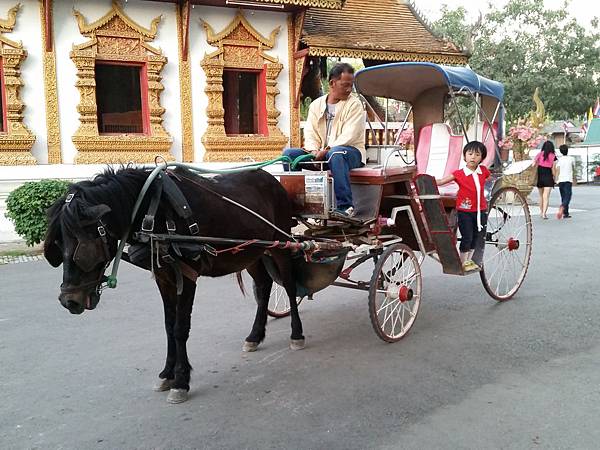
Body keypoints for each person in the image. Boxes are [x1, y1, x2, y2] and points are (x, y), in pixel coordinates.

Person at [283, 63, 365, 218]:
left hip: (350, 152)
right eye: (345, 85)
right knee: (289, 154)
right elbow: (310, 132)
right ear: (332, 83)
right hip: (321, 153)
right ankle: (296, 203)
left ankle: (345, 206)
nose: (349, 89)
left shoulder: (354, 104)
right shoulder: (316, 105)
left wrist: (326, 150)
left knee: (336, 153)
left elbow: (350, 135)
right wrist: (314, 151)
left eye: (351, 86)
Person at [436, 141, 490, 272]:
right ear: (464, 156)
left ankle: (469, 260)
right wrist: (428, 181)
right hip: (465, 210)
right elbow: (442, 181)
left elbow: (489, 179)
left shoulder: (483, 171)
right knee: (467, 236)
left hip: (480, 210)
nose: (473, 157)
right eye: (470, 154)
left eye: (477, 154)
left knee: (476, 236)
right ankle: (462, 261)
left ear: (482, 158)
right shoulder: (459, 173)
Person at [532, 140, 557, 219]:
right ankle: (544, 213)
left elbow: (533, 164)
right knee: (546, 196)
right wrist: (555, 178)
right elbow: (553, 170)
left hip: (540, 176)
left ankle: (541, 212)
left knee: (541, 196)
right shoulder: (553, 156)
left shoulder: (539, 154)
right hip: (548, 177)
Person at [555, 144, 576, 219]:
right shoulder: (571, 159)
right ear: (567, 150)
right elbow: (573, 168)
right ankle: (562, 207)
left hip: (560, 180)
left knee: (563, 196)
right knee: (568, 196)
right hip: (568, 180)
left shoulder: (559, 160)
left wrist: (556, 180)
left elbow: (557, 170)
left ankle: (565, 213)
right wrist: (574, 179)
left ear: (560, 151)